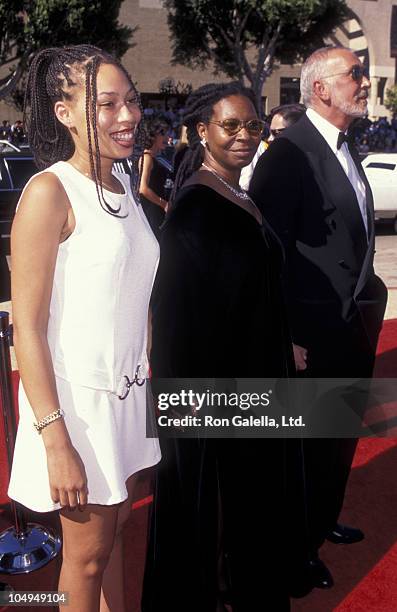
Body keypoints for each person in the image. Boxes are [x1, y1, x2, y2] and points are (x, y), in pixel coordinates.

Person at [7, 45, 161, 612]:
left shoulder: (122, 184)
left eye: (131, 102)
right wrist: (55, 440)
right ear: (65, 112)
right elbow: (28, 326)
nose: (128, 116)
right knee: (86, 558)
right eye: (107, 105)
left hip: (127, 399)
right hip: (75, 410)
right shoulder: (50, 192)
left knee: (115, 540)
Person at [142, 82, 296, 612]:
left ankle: (245, 587)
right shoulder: (195, 210)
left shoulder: (237, 193)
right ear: (201, 131)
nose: (244, 136)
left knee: (253, 506)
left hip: (255, 381)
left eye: (253, 126)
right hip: (221, 394)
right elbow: (179, 322)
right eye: (230, 125)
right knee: (218, 509)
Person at [250, 46, 388, 589]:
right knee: (307, 451)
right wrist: (282, 335)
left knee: (338, 441)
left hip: (351, 326)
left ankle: (323, 521)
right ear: (321, 88)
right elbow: (268, 255)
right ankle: (295, 548)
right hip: (310, 336)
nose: (364, 81)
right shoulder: (290, 154)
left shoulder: (344, 145)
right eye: (354, 74)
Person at [239, 103, 305, 190]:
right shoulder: (266, 163)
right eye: (270, 133)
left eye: (276, 133)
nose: (269, 139)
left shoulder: (320, 165)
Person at [139, 118, 169, 238]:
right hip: (150, 212)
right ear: (153, 136)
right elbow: (143, 188)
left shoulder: (151, 158)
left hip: (154, 210)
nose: (166, 137)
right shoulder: (147, 158)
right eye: (162, 133)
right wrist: (164, 204)